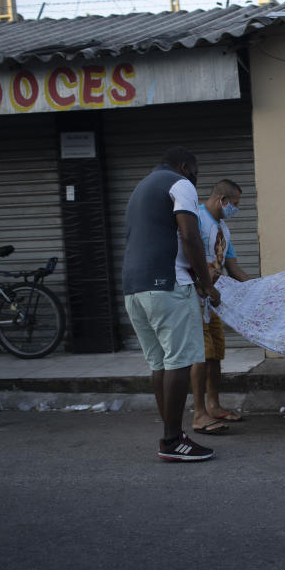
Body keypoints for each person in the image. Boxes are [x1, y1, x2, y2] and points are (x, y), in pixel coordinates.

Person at [122, 146, 221, 461]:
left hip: (133, 289)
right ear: (184, 166)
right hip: (167, 285)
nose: (195, 176)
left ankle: (171, 436)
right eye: (195, 170)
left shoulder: (140, 188)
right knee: (179, 362)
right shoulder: (180, 183)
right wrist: (206, 284)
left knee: (159, 364)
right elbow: (190, 235)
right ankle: (172, 441)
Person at [191, 179, 250, 435]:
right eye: (234, 204)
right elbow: (186, 253)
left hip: (212, 299)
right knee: (200, 355)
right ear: (221, 200)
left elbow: (233, 267)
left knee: (215, 354)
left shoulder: (223, 230)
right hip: (193, 296)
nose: (235, 209)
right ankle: (199, 412)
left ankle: (213, 405)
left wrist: (260, 288)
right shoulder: (195, 219)